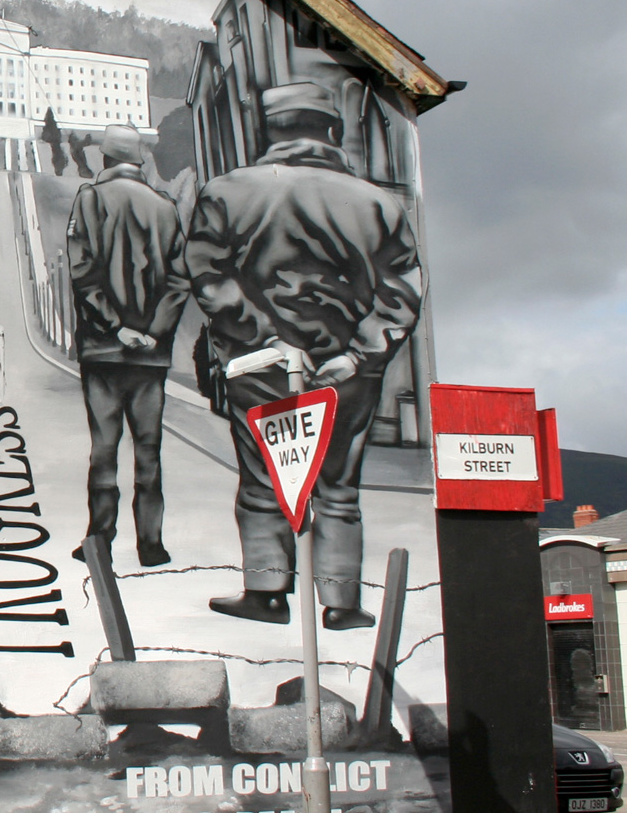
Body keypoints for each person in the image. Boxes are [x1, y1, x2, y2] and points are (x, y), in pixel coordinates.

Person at [185, 82, 421, 629]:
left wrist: (266, 339)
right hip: (348, 372)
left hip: (261, 367)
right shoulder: (378, 204)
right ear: (332, 131)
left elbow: (208, 277)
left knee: (263, 477)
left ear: (271, 131)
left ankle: (267, 592)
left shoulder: (227, 191)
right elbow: (401, 292)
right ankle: (340, 604)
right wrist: (358, 355)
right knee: (339, 484)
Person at [65, 125, 190, 569]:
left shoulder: (90, 199)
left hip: (103, 350)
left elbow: (82, 272)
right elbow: (179, 280)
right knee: (148, 449)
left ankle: (99, 539)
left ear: (104, 158)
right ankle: (151, 544)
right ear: (140, 161)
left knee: (104, 448)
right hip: (150, 357)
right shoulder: (166, 207)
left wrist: (116, 327)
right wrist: (153, 332)